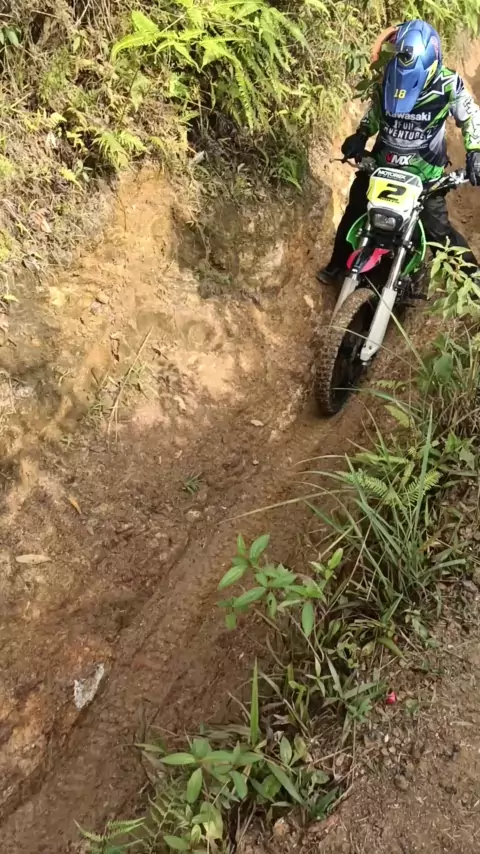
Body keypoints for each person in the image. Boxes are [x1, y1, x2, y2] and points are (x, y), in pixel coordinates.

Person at [318, 19, 480, 288]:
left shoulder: (449, 84)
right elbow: (375, 111)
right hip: (382, 167)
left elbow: (471, 116)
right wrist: (361, 134)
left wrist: (475, 150)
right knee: (356, 209)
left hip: (425, 176)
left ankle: (474, 285)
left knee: (439, 234)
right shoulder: (388, 77)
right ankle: (337, 263)